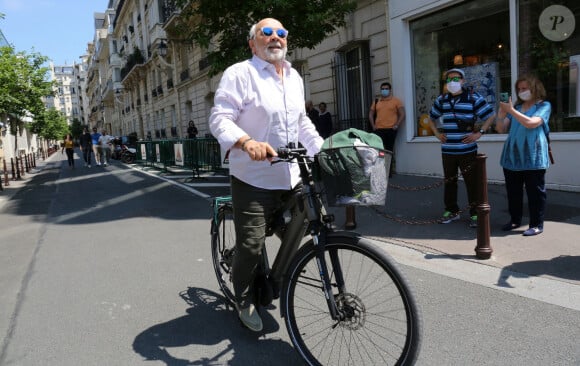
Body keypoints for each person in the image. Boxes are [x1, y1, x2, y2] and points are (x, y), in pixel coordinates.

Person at [209, 17, 323, 332]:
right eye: (267, 33)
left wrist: (322, 151)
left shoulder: (294, 76)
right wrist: (246, 142)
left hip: (290, 176)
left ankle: (278, 276)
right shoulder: (240, 74)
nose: (275, 38)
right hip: (253, 178)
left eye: (281, 33)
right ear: (253, 42)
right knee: (251, 243)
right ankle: (242, 297)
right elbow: (220, 118)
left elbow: (303, 124)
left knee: (306, 225)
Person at [428, 68, 495, 228]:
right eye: (449, 80)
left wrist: (479, 133)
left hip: (468, 150)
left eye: (456, 79)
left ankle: (475, 213)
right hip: (448, 150)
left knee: (472, 183)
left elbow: (490, 115)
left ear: (463, 81)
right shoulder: (442, 99)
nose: (452, 82)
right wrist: (437, 134)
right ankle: (451, 211)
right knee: (449, 182)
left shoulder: (473, 98)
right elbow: (431, 117)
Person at [496, 75, 551, 236]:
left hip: (534, 157)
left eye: (525, 88)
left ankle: (536, 224)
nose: (521, 92)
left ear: (535, 88)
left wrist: (510, 110)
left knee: (535, 192)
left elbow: (531, 123)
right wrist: (501, 114)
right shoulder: (517, 108)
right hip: (512, 157)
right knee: (513, 192)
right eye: (519, 89)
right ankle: (515, 220)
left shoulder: (544, 105)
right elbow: (500, 129)